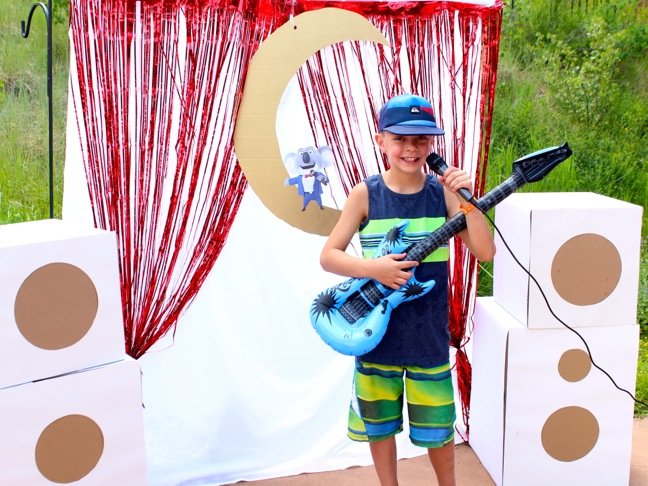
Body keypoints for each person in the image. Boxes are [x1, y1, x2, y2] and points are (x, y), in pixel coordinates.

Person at [319, 94, 496, 486]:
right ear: (381, 141)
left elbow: (485, 250)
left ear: (432, 146)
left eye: (421, 140)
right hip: (375, 334)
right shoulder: (365, 195)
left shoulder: (444, 194)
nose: (411, 148)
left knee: (437, 425)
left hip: (427, 333)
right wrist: (374, 268)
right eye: (400, 139)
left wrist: (470, 200)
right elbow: (329, 256)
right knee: (379, 423)